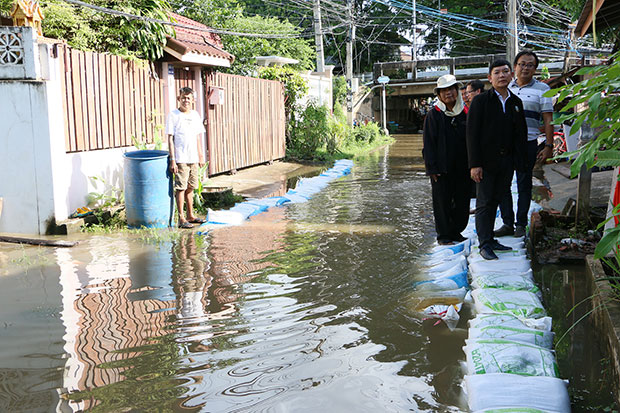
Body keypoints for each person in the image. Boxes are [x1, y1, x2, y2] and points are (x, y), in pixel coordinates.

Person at [466, 60, 528, 260]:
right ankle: (484, 243)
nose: (502, 75)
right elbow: (472, 134)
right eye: (497, 72)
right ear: (489, 78)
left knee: (497, 199)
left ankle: (491, 238)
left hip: (507, 161)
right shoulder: (481, 101)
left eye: (505, 72)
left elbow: (520, 134)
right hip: (485, 162)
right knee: (484, 202)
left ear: (512, 75)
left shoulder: (515, 102)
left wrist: (520, 162)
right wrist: (475, 164)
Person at [495, 50, 554, 238]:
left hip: (528, 143)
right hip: (505, 145)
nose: (525, 68)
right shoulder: (505, 87)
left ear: (535, 69)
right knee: (502, 185)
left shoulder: (543, 89)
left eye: (530, 65)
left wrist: (548, 146)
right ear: (515, 67)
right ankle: (507, 223)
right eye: (522, 64)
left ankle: (520, 223)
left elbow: (548, 120)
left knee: (524, 184)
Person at [423, 74, 470, 245]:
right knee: (442, 202)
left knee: (462, 201)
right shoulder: (434, 115)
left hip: (463, 167)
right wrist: (432, 168)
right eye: (444, 90)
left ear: (457, 91)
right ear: (439, 95)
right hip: (441, 168)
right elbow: (428, 144)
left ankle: (456, 231)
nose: (448, 93)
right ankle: (443, 236)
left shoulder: (465, 113)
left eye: (451, 89)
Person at [166, 87, 206, 229]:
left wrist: (201, 156)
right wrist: (173, 159)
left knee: (191, 187)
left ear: (193, 100)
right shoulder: (173, 115)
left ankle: (190, 215)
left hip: (193, 157)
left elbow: (197, 137)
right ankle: (181, 218)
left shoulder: (195, 115)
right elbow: (170, 139)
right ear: (179, 98)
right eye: (183, 98)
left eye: (188, 98)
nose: (186, 100)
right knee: (181, 188)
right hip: (181, 158)